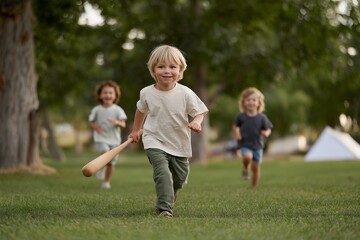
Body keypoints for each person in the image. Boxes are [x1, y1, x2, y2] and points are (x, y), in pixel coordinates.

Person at [128, 45, 208, 218]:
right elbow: (140, 110)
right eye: (161, 66)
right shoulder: (146, 93)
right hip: (153, 140)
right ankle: (165, 208)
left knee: (178, 180)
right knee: (162, 172)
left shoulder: (185, 93)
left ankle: (170, 195)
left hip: (178, 142)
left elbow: (199, 112)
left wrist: (196, 121)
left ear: (180, 70)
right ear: (153, 70)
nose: (167, 71)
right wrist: (135, 130)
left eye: (172, 67)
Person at [89, 80, 127, 189]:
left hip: (114, 140)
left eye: (111, 93)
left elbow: (123, 124)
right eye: (105, 93)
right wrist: (97, 127)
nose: (108, 95)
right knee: (105, 153)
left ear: (115, 96)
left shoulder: (118, 110)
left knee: (111, 163)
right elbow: (91, 121)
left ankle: (106, 181)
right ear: (100, 95)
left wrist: (117, 122)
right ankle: (100, 167)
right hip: (101, 138)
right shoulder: (97, 109)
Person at [232, 87, 273, 188]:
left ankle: (253, 187)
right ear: (244, 102)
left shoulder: (262, 117)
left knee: (256, 168)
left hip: (257, 146)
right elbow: (235, 126)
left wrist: (266, 133)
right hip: (245, 144)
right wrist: (236, 134)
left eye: (254, 100)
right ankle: (246, 168)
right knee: (247, 156)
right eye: (248, 100)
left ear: (259, 103)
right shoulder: (241, 116)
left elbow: (268, 128)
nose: (251, 102)